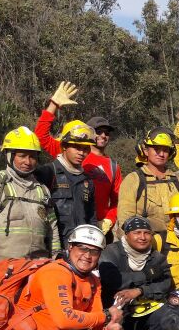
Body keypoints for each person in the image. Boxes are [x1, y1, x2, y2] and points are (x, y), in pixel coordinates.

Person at [0, 127, 61, 281]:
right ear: (9, 155)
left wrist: (57, 256)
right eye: (22, 156)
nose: (27, 162)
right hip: (2, 270)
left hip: (38, 270)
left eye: (32, 156)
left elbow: (52, 228)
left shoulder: (42, 190)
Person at [34, 81, 123, 236]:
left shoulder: (113, 166)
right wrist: (54, 105)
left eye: (106, 132)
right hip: (62, 231)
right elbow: (40, 136)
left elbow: (117, 201)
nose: (102, 135)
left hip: (97, 229)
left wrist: (109, 220)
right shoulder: (68, 151)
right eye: (98, 131)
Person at [96, 215, 173, 330]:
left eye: (147, 233)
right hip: (117, 311)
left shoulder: (157, 257)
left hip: (144, 307)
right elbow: (112, 280)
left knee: (164, 312)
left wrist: (140, 291)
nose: (143, 237)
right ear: (126, 235)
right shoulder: (111, 252)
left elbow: (166, 284)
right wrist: (145, 275)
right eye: (137, 232)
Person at [32, 119, 97, 244]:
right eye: (77, 147)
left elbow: (91, 218)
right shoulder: (47, 173)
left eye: (85, 148)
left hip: (80, 247)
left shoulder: (87, 181)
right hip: (53, 246)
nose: (81, 153)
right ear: (64, 146)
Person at [117, 128, 179, 233]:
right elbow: (126, 220)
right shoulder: (133, 180)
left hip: (174, 243)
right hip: (145, 242)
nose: (161, 154)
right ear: (145, 151)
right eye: (157, 149)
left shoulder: (178, 182)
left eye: (165, 150)